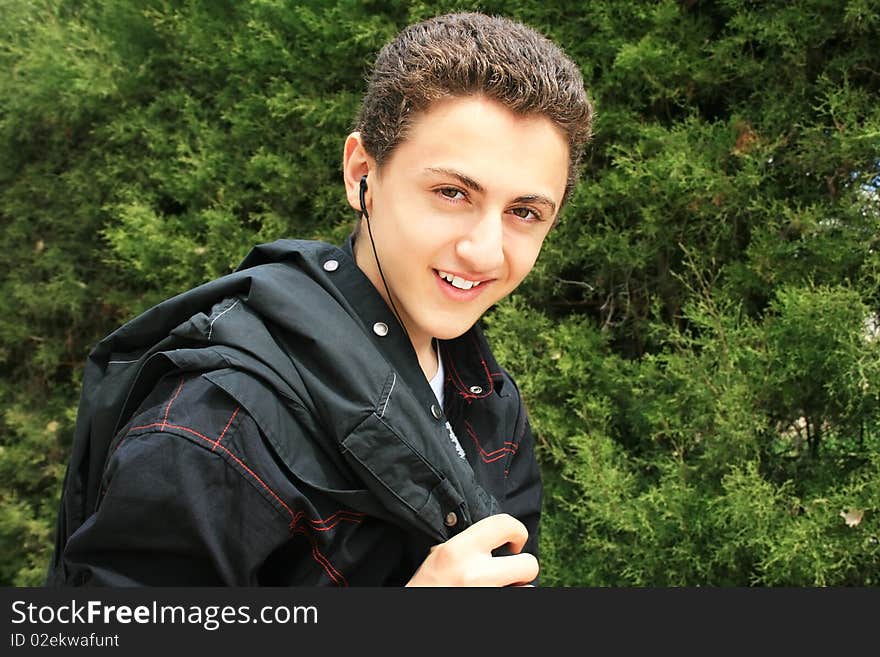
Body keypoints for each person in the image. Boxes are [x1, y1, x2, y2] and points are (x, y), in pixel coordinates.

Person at [46, 11, 593, 587]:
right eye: (452, 192)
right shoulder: (217, 422)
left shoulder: (485, 394)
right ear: (363, 172)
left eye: (524, 212)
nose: (484, 251)